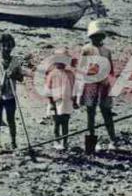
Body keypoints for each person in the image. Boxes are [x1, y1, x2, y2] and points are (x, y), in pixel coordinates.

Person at [79, 21, 119, 153]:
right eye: (94, 36)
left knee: (106, 112)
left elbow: (111, 70)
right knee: (91, 114)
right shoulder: (86, 49)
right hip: (90, 84)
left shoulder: (107, 51)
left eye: (99, 36)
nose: (97, 38)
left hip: (104, 85)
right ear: (90, 37)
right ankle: (91, 143)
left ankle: (113, 140)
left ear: (102, 37)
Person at [0, 33, 25, 154]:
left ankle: (13, 142)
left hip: (10, 95)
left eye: (9, 46)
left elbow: (21, 78)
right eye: (3, 46)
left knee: (11, 119)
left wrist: (14, 75)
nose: (6, 48)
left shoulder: (15, 61)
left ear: (12, 47)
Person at [45, 48, 78, 151]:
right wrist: (51, 102)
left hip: (67, 102)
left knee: (65, 122)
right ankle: (56, 141)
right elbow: (48, 89)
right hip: (55, 102)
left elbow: (74, 88)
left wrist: (75, 100)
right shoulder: (52, 74)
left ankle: (65, 141)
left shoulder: (70, 74)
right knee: (56, 122)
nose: (61, 63)